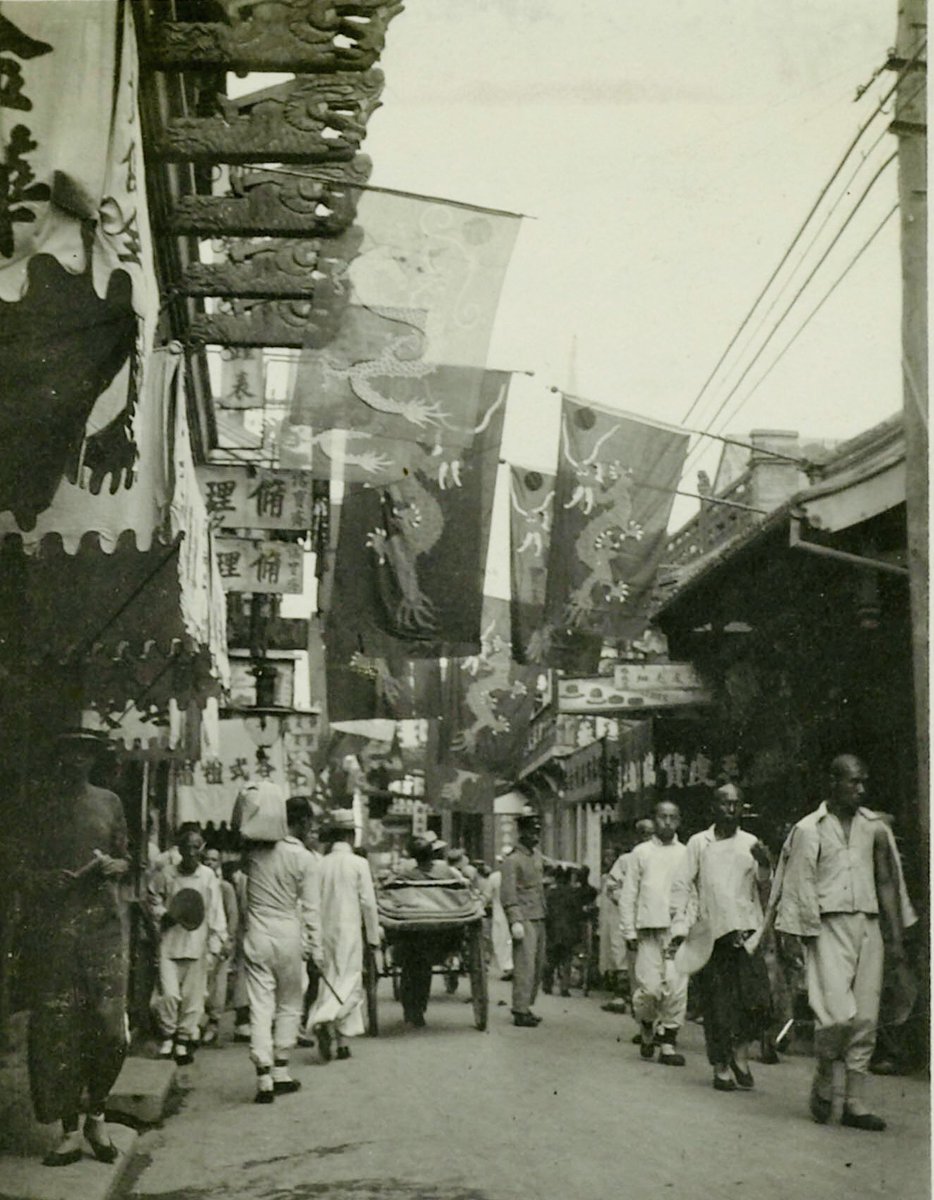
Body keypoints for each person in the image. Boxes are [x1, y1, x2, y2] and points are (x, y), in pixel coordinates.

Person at [758, 755, 916, 1131]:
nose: (860, 789)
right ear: (832, 781)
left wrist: (894, 939)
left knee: (865, 1016)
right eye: (853, 782)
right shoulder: (809, 829)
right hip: (826, 927)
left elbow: (887, 882)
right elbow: (797, 888)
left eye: (864, 782)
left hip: (868, 925)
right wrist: (795, 940)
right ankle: (827, 1071)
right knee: (836, 1015)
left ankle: (855, 1103)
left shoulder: (875, 828)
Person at [22, 730, 130, 1167]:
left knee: (108, 1029)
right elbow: (16, 865)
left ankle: (97, 1114)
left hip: (102, 928)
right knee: (59, 1028)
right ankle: (69, 1128)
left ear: (93, 759)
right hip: (55, 930)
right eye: (69, 753)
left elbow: (127, 859)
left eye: (85, 753)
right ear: (59, 759)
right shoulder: (41, 807)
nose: (77, 761)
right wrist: (44, 880)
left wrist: (112, 866)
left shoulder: (110, 802)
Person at [671, 782, 772, 1092]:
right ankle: (721, 1066)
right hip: (711, 935)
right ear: (713, 807)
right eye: (725, 804)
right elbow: (682, 885)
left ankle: (741, 1056)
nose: (731, 809)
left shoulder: (751, 843)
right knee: (717, 1006)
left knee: (755, 1001)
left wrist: (766, 863)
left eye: (737, 804)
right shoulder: (698, 843)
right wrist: (680, 926)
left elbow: (765, 887)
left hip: (746, 933)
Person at [243, 790, 319, 1103]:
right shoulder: (304, 858)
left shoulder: (255, 855)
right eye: (309, 823)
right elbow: (312, 910)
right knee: (289, 1001)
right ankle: (281, 1070)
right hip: (288, 933)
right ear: (300, 823)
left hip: (257, 934)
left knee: (261, 1005)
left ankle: (263, 1075)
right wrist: (317, 950)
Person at [303, 810, 380, 1061]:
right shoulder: (359, 864)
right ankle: (328, 1020)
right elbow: (368, 903)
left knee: (330, 981)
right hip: (349, 931)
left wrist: (310, 936)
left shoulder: (318, 864)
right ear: (350, 835)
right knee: (350, 983)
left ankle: (341, 1040)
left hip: (324, 931)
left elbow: (309, 902)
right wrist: (373, 938)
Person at [148, 824, 227, 1065]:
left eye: (196, 847)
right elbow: (152, 898)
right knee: (169, 995)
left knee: (193, 999)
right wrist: (163, 914)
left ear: (201, 850)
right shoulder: (167, 874)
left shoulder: (207, 876)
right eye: (187, 847)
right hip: (170, 944)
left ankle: (182, 1042)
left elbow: (215, 912)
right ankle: (168, 1037)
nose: (191, 852)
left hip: (197, 945)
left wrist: (217, 942)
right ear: (179, 850)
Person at [619, 801, 688, 1066]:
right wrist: (628, 929)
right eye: (662, 817)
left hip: (676, 931)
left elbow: (692, 892)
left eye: (673, 817)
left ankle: (669, 1042)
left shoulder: (686, 853)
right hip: (647, 930)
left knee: (675, 988)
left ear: (679, 821)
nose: (667, 823)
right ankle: (647, 1024)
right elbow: (629, 894)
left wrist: (687, 925)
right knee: (649, 989)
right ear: (655, 820)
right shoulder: (641, 853)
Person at [394, 837, 462, 1026]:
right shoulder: (445, 870)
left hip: (414, 930)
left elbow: (395, 896)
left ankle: (412, 1010)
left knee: (412, 969)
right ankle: (417, 1009)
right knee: (422, 970)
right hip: (439, 930)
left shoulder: (407, 875)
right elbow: (461, 889)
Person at [600, 818, 656, 1016]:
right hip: (630, 919)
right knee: (627, 961)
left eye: (650, 833)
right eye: (644, 834)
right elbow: (612, 886)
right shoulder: (626, 860)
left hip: (656, 921)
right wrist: (628, 901)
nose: (647, 838)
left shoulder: (664, 856)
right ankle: (638, 1015)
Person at [499, 807, 546, 1027]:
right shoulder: (512, 860)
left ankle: (526, 1005)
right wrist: (514, 919)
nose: (535, 836)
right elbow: (508, 893)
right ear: (522, 832)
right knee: (524, 965)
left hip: (539, 914)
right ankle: (519, 1009)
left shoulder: (535, 856)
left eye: (537, 832)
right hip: (524, 917)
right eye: (531, 832)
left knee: (537, 965)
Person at [201, 847, 238, 1047]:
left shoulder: (225, 887)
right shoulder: (199, 882)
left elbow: (233, 915)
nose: (209, 863)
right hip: (200, 941)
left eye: (214, 860)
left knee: (218, 984)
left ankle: (213, 1024)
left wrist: (229, 940)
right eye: (206, 859)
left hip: (219, 940)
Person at [543, 867, 580, 997]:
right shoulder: (573, 893)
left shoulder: (550, 893)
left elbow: (545, 911)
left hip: (553, 929)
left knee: (551, 959)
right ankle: (564, 987)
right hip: (568, 930)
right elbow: (577, 912)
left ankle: (547, 985)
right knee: (566, 959)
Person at [489, 856, 514, 980]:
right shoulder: (513, 876)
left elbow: (488, 894)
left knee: (500, 940)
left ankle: (507, 966)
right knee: (509, 939)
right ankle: (511, 965)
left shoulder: (494, 877)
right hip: (511, 912)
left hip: (499, 912)